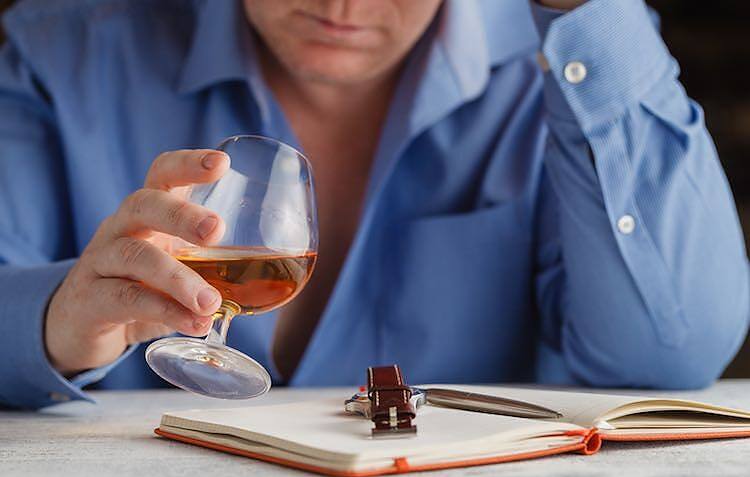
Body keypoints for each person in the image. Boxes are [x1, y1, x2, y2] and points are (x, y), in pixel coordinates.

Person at [0, 0, 747, 410]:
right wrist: (56, 325)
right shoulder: (59, 50)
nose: (343, 5)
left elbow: (669, 352)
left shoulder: (570, 52)